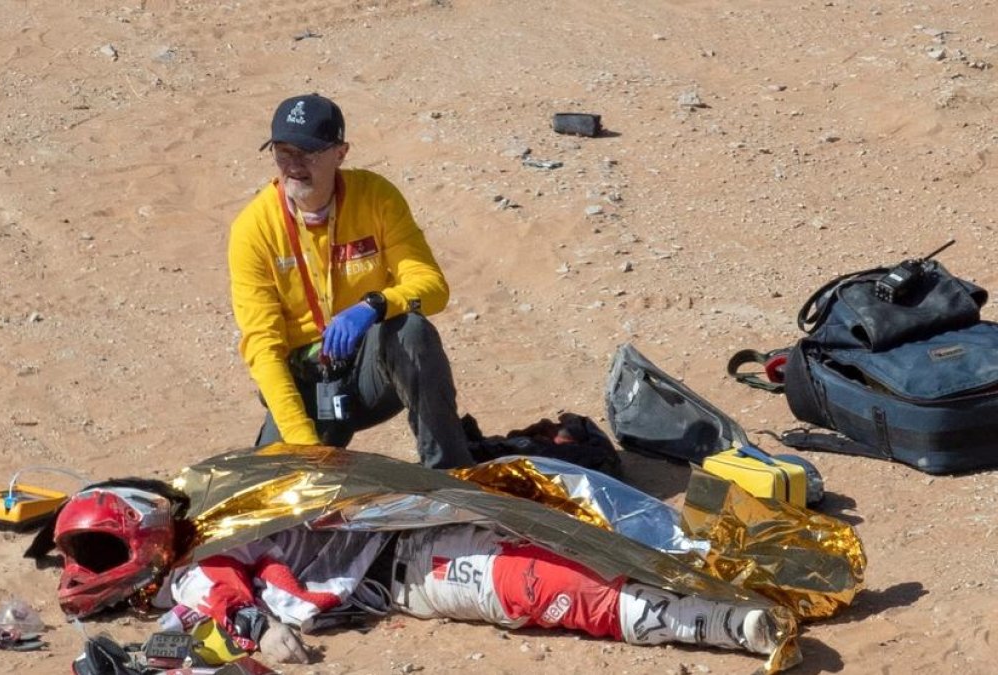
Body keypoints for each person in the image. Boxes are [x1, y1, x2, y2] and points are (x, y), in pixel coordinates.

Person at [227, 93, 474, 469]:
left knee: (412, 330)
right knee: (278, 490)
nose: (293, 167)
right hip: (305, 387)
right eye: (282, 152)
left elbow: (433, 287)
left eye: (307, 153)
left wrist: (373, 306)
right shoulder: (253, 229)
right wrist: (306, 447)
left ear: (340, 154)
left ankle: (451, 473)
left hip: (368, 373)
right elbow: (263, 346)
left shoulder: (376, 198)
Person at [162, 524, 781, 665]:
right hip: (410, 567)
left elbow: (214, 582)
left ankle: (734, 566)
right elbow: (212, 592)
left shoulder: (226, 525)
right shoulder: (190, 578)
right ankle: (715, 621)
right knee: (537, 585)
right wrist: (257, 627)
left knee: (576, 531)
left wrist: (254, 623)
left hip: (411, 525)